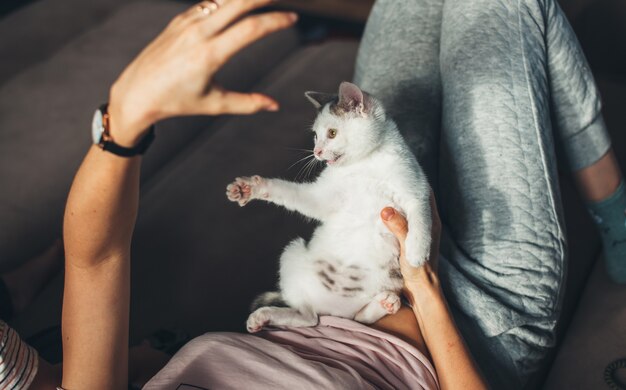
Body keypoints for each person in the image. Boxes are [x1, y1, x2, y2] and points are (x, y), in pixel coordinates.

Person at [2, 0, 624, 388]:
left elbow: (97, 258)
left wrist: (124, 122)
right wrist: (425, 286)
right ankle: (613, 206)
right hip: (475, 324)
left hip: (367, 236)